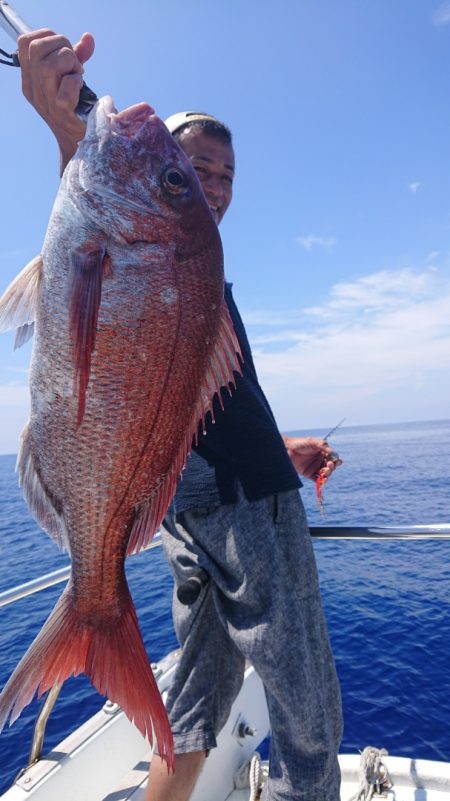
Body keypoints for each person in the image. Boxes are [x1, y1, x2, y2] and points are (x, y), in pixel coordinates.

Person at [18, 30, 344, 801]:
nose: (213, 186)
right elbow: (94, 259)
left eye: (224, 175)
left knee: (190, 710)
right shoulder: (169, 257)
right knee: (308, 718)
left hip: (185, 515)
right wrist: (70, 137)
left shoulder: (192, 268)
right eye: (191, 172)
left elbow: (196, 396)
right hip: (246, 512)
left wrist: (282, 445)